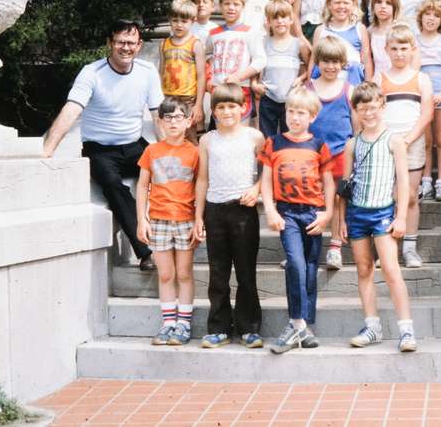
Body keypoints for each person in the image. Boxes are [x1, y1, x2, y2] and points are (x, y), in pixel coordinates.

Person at [42, 18, 163, 271]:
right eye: (120, 42)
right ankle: (146, 251)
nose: (126, 48)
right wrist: (48, 149)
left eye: (131, 43)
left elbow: (157, 115)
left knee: (166, 173)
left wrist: (169, 152)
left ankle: (175, 241)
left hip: (133, 145)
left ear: (139, 45)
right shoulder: (92, 73)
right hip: (100, 150)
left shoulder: (147, 72)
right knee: (112, 185)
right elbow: (72, 110)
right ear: (110, 43)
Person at [339, 82, 417, 352]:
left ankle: (406, 329)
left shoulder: (394, 140)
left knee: (392, 269)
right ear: (356, 111)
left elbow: (404, 182)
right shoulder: (352, 144)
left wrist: (401, 217)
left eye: (373, 108)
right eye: (363, 109)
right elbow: (345, 186)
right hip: (358, 212)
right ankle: (372, 326)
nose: (369, 114)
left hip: (383, 212)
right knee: (363, 269)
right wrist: (341, 221)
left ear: (382, 106)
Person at [260, 88, 335, 353]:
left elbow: (328, 183)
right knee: (295, 264)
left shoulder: (319, 145)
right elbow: (266, 181)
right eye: (290, 111)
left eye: (301, 112)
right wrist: (270, 210)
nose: (294, 117)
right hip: (287, 212)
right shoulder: (275, 143)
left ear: (312, 116)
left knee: (311, 268)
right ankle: (295, 322)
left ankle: (304, 327)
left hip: (313, 213)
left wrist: (327, 214)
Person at [194, 84, 266, 348]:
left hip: (243, 210)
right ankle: (219, 327)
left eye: (232, 106)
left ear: (243, 107)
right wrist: (198, 216)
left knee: (246, 271)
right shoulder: (207, 140)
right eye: (221, 107)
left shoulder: (254, 137)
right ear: (213, 111)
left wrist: (257, 189)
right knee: (218, 272)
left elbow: (267, 169)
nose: (226, 112)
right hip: (215, 209)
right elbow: (202, 179)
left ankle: (249, 327)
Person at [135, 97, 199, 345]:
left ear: (188, 121)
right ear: (160, 122)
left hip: (185, 220)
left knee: (183, 273)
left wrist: (198, 220)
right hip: (159, 220)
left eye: (178, 117)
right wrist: (142, 219)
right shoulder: (152, 151)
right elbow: (142, 186)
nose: (173, 122)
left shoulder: (194, 153)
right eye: (168, 118)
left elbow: (200, 186)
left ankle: (184, 323)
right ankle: (168, 322)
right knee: (165, 274)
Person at [373, 24, 433, 268]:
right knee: (386, 195)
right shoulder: (380, 78)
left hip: (412, 142)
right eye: (394, 48)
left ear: (413, 49)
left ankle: (409, 247)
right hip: (386, 143)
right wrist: (387, 139)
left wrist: (409, 139)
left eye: (404, 48)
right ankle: (387, 247)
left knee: (409, 197)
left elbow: (427, 113)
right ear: (386, 50)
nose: (399, 53)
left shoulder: (422, 79)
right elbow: (374, 111)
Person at [307, 36, 358, 272]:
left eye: (336, 62)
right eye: (326, 61)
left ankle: (335, 247)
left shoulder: (349, 90)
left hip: (339, 153)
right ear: (317, 62)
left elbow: (357, 128)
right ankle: (308, 247)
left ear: (343, 63)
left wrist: (354, 152)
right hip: (311, 153)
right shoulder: (307, 89)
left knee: (338, 201)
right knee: (311, 200)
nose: (330, 66)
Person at [415, 0, 441, 202]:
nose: (431, 19)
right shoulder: (414, 40)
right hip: (421, 94)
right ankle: (425, 180)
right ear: (420, 17)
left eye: (436, 15)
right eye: (427, 14)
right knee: (425, 140)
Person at [206, 0, 266, 125]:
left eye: (236, 4)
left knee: (240, 131)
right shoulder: (214, 33)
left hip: (240, 89)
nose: (231, 8)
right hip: (218, 89)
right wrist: (211, 75)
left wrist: (239, 76)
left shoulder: (250, 32)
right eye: (227, 4)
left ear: (243, 6)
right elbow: (208, 53)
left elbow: (260, 60)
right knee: (221, 130)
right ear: (220, 6)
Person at [252, 0, 311, 139]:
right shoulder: (263, 43)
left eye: (284, 17)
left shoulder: (299, 44)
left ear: (291, 20)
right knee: (267, 138)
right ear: (269, 21)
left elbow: (311, 68)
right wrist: (254, 84)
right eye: (275, 17)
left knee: (290, 136)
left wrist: (301, 79)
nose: (280, 21)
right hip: (268, 98)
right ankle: (268, 161)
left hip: (291, 99)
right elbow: (255, 67)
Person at [159, 0, 205, 143]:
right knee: (170, 135)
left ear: (193, 21)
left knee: (190, 136)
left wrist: (198, 105)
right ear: (169, 20)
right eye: (175, 20)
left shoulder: (195, 44)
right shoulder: (164, 44)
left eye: (184, 21)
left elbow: (201, 76)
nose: (179, 25)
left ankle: (196, 165)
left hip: (188, 99)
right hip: (167, 97)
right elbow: (161, 72)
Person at [309, 0, 372, 85]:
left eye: (346, 3)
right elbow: (314, 60)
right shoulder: (321, 30)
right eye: (337, 2)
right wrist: (309, 84)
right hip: (325, 83)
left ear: (354, 5)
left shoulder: (360, 29)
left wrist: (368, 85)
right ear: (329, 5)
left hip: (352, 83)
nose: (341, 6)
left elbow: (366, 60)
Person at [367, 0, 402, 76]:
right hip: (378, 78)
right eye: (379, 2)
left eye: (388, 3)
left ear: (395, 7)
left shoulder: (401, 29)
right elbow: (368, 60)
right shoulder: (370, 31)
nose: (383, 6)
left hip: (397, 76)